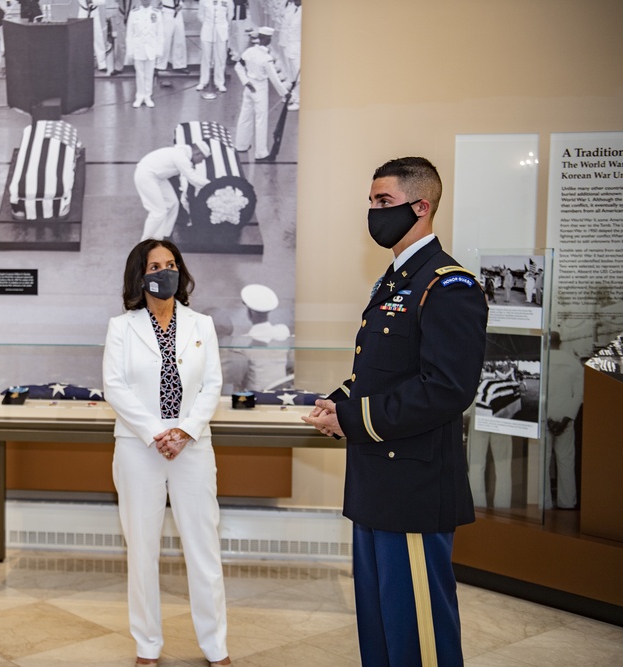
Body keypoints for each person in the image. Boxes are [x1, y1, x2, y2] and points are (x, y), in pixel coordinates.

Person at [303, 157, 488, 666]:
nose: (374, 212)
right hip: (376, 484)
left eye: (383, 201)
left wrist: (355, 420)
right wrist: (339, 402)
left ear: (421, 205)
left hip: (414, 487)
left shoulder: (448, 285)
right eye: (371, 202)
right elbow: (385, 371)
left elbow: (447, 389)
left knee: (418, 632)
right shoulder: (396, 281)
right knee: (382, 627)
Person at [103, 239, 231, 667]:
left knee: (204, 548)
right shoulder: (122, 327)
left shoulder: (202, 324)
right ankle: (147, 647)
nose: (165, 271)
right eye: (155, 265)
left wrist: (185, 431)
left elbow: (212, 385)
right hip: (139, 448)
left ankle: (216, 648)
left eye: (171, 264)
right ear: (140, 276)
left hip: (193, 448)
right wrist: (158, 432)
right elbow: (115, 387)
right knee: (142, 550)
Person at [134, 141, 211, 240]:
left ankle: (164, 235)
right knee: (158, 212)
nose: (201, 162)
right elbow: (192, 178)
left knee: (173, 203)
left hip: (158, 177)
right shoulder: (181, 157)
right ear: (197, 153)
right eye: (202, 159)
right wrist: (212, 185)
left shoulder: (182, 153)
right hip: (146, 176)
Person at [234, 26, 288, 160]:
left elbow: (238, 66)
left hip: (249, 87)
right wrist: (284, 93)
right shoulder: (266, 58)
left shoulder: (249, 51)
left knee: (244, 117)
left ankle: (241, 145)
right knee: (261, 120)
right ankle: (261, 153)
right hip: (260, 89)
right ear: (267, 39)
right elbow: (274, 79)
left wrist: (246, 82)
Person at [545, 331, 580, 509]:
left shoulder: (542, 361)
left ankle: (544, 503)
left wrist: (548, 419)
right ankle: (567, 502)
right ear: (561, 342)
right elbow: (579, 395)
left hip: (545, 418)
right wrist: (566, 419)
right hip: (566, 417)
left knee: (544, 462)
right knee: (566, 461)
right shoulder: (573, 363)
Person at [126, 0, 163, 108]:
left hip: (151, 48)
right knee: (139, 74)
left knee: (149, 74)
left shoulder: (156, 13)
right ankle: (139, 96)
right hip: (138, 48)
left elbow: (160, 34)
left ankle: (148, 96)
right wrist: (130, 51)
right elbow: (130, 34)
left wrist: (159, 51)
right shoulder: (134, 13)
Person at [197, 0, 232, 92]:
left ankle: (219, 82)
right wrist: (208, 24)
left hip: (221, 32)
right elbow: (200, 15)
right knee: (205, 57)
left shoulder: (228, 1)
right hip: (207, 30)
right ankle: (203, 81)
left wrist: (222, 25)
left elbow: (230, 16)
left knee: (220, 57)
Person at [276, 0, 301, 111]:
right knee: (292, 74)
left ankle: (299, 100)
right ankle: (294, 95)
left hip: (298, 47)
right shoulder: (293, 8)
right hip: (290, 46)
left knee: (298, 75)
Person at [156, 0, 187, 74]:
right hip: (167, 12)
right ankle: (159, 65)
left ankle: (179, 65)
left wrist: (181, 4)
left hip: (178, 13)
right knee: (165, 40)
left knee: (180, 40)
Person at [78, 0, 108, 71]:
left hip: (94, 12)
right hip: (83, 11)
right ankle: (82, 63)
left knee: (98, 38)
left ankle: (102, 64)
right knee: (81, 39)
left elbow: (104, 1)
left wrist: (93, 2)